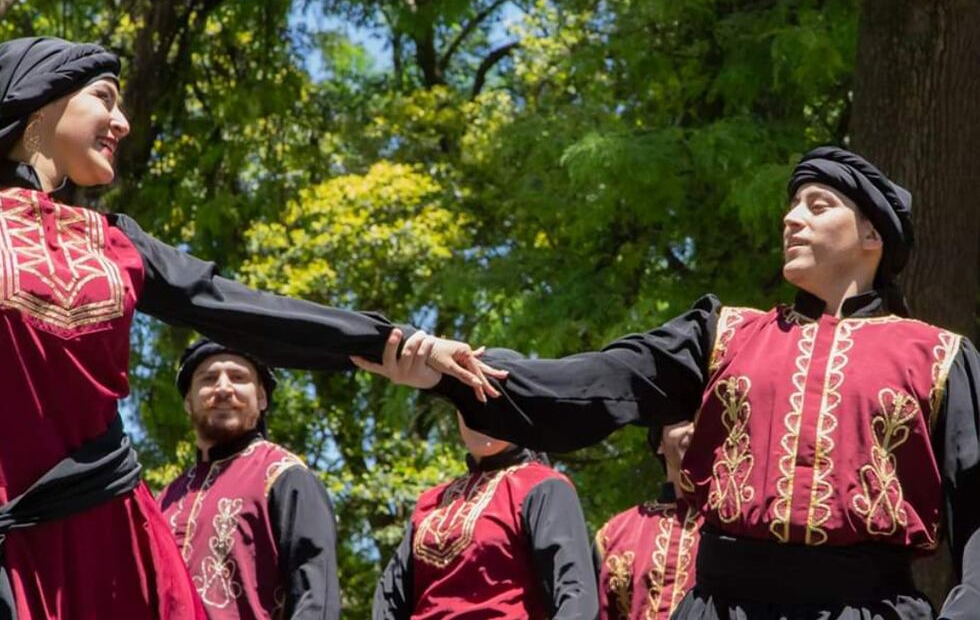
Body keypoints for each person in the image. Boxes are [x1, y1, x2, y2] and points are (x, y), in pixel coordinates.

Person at [358, 147, 980, 619]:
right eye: (791, 204)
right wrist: (451, 373)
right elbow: (593, 383)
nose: (792, 219)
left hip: (863, 610)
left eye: (818, 205)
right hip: (720, 605)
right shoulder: (723, 334)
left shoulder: (939, 357)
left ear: (872, 235)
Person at [0, 36, 496, 619]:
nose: (123, 122)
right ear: (40, 106)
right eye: (104, 98)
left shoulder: (114, 242)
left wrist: (391, 341)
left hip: (109, 540)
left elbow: (241, 309)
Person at [371, 340, 598, 620]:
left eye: (493, 400)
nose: (481, 412)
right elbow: (390, 599)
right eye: (470, 400)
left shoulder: (543, 487)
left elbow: (576, 596)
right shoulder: (431, 503)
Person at [158, 339, 340, 619]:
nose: (222, 388)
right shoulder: (164, 500)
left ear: (262, 398)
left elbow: (317, 596)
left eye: (238, 377)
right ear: (188, 402)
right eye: (208, 379)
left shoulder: (284, 476)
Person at [594, 423, 700, 620]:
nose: (693, 429)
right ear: (659, 441)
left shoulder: (737, 532)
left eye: (703, 418)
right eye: (682, 419)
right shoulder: (615, 534)